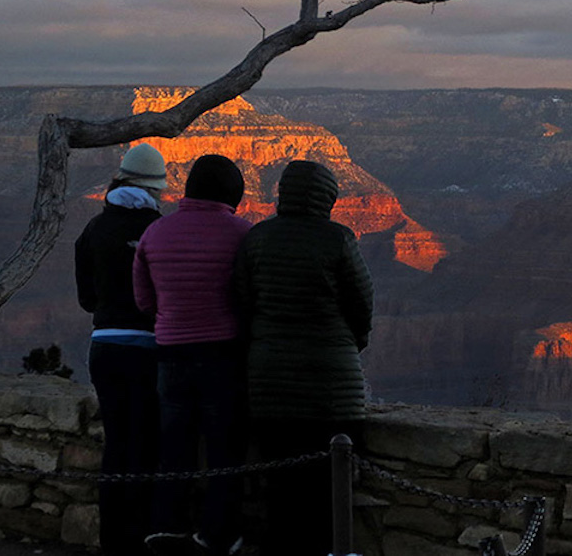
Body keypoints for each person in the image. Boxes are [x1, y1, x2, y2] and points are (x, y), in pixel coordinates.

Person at [234, 160, 373, 556]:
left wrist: (263, 344)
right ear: (327, 198)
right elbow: (362, 303)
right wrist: (350, 342)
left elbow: (243, 305)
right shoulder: (338, 239)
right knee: (331, 489)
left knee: (280, 488)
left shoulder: (257, 239)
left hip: (270, 385)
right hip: (333, 388)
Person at [133, 154, 253, 556]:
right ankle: (218, 536)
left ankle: (166, 529)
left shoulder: (155, 233)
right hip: (223, 356)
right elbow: (250, 297)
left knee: (173, 447)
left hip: (170, 355)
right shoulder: (242, 233)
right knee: (224, 450)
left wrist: (173, 316)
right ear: (231, 192)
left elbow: (143, 300)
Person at [75, 142, 168, 556]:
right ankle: (142, 537)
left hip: (105, 347)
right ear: (155, 189)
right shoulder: (158, 230)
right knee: (147, 443)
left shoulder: (93, 229)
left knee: (116, 443)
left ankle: (112, 540)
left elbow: (86, 299)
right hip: (149, 349)